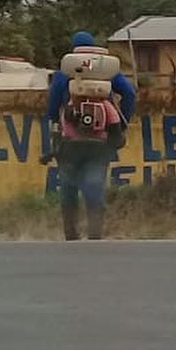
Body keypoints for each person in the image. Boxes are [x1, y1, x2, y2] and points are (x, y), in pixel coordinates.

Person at [44, 31, 136, 240]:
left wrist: (58, 120)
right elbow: (129, 94)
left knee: (68, 186)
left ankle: (71, 235)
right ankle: (95, 233)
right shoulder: (106, 70)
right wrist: (120, 124)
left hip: (69, 142)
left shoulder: (65, 71)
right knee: (94, 183)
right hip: (100, 141)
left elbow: (53, 104)